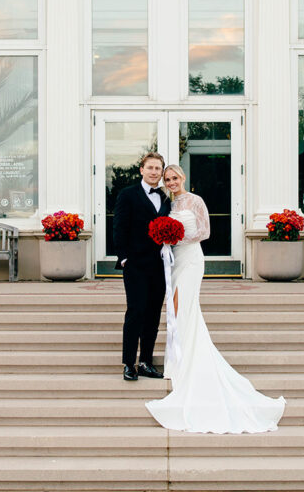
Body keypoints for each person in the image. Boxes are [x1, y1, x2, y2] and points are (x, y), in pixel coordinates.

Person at [147, 164, 286, 433]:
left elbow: (205, 231)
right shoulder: (167, 203)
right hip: (173, 259)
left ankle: (188, 358)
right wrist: (166, 239)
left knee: (185, 305)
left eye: (174, 178)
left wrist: (178, 235)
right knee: (174, 308)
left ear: (183, 177)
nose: (171, 182)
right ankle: (176, 358)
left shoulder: (195, 201)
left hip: (191, 258)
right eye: (167, 179)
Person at [113, 152, 170, 381]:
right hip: (135, 265)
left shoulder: (167, 198)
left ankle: (146, 361)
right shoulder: (128, 195)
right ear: (141, 170)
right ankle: (129, 363)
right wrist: (124, 257)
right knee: (135, 313)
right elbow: (119, 227)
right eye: (151, 168)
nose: (154, 172)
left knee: (153, 315)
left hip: (160, 266)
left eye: (158, 169)